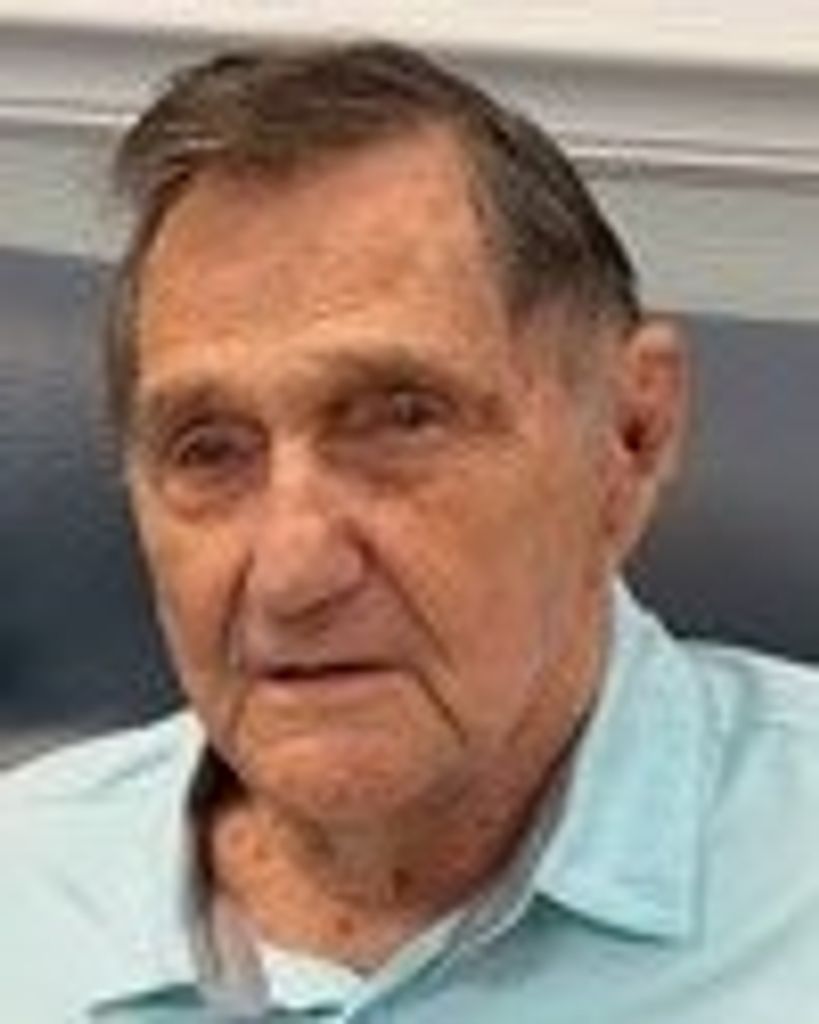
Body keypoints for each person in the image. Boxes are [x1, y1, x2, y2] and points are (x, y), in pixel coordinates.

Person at [1, 40, 818, 1024]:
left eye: (401, 420)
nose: (292, 574)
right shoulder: (25, 889)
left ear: (630, 435)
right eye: (209, 449)